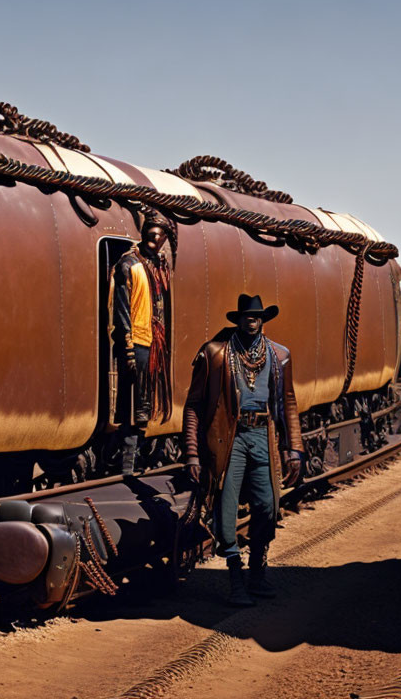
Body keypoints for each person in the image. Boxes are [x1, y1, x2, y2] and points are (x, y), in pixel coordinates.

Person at [183, 294, 304, 606]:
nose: (252, 320)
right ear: (237, 320)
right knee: (225, 507)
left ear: (263, 319)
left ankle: (257, 570)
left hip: (263, 435)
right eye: (246, 316)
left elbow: (288, 401)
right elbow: (194, 405)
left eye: (257, 316)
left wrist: (295, 448)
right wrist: (193, 452)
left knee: (267, 505)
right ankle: (235, 576)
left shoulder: (279, 355)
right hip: (230, 439)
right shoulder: (215, 353)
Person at [110, 210, 176, 475]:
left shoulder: (158, 267)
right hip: (136, 339)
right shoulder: (130, 265)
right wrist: (127, 345)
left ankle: (135, 460)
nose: (156, 237)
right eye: (152, 232)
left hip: (153, 341)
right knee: (133, 404)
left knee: (144, 404)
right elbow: (122, 308)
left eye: (161, 234)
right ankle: (127, 463)